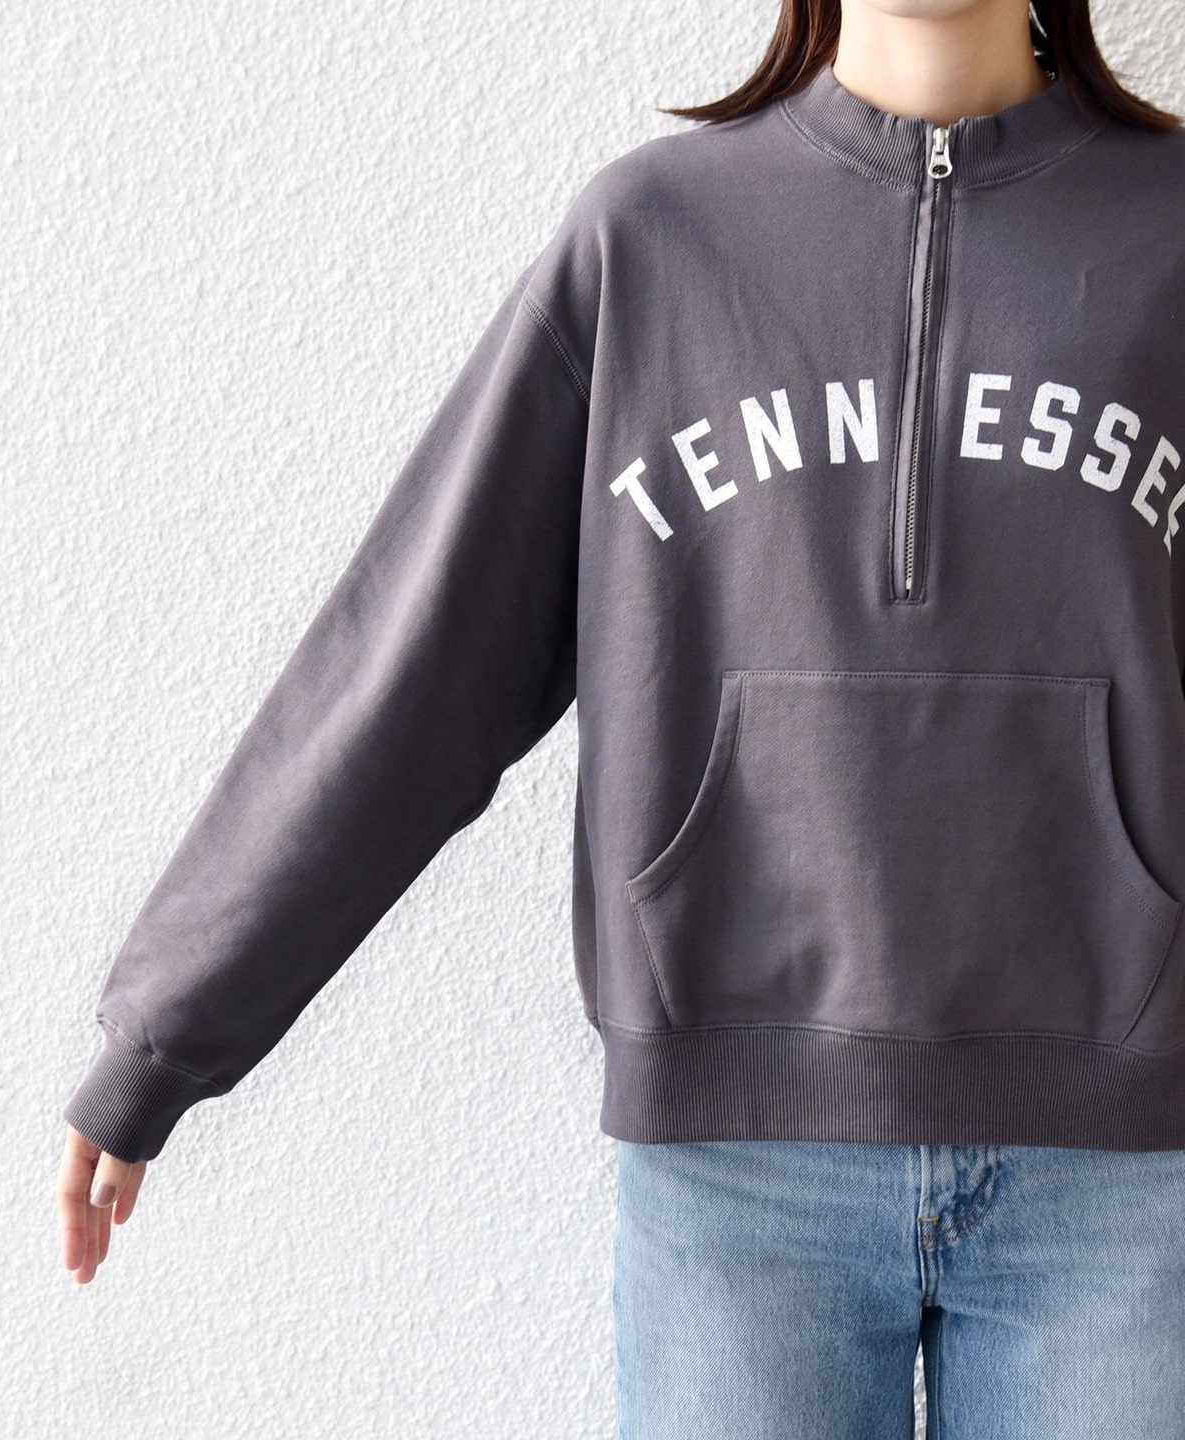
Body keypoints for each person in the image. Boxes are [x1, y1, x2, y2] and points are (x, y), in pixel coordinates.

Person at [58, 0, 1185, 1431]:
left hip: (1126, 1170)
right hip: (737, 1171)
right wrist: (169, 1032)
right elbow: (422, 661)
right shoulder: (653, 241)